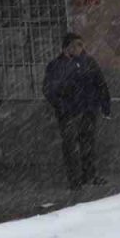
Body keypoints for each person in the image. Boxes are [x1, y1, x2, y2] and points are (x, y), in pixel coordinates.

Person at [43, 33, 111, 190]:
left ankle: (90, 175)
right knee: (70, 147)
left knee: (88, 144)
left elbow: (100, 83)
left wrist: (104, 105)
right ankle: (75, 180)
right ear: (66, 47)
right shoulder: (56, 66)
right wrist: (62, 106)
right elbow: (49, 90)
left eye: (81, 44)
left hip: (88, 110)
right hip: (69, 114)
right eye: (76, 45)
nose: (80, 48)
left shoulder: (88, 62)